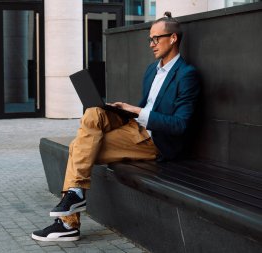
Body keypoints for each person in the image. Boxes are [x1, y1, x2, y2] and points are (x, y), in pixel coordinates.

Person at [32, 12, 200, 242]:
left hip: (155, 141)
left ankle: (68, 221)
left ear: (173, 38)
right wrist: (122, 110)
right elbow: (148, 105)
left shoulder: (186, 75)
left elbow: (180, 125)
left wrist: (138, 111)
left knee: (78, 148)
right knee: (94, 112)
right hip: (134, 127)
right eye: (149, 39)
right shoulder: (152, 70)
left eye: (156, 39)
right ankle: (75, 198)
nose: (151, 44)